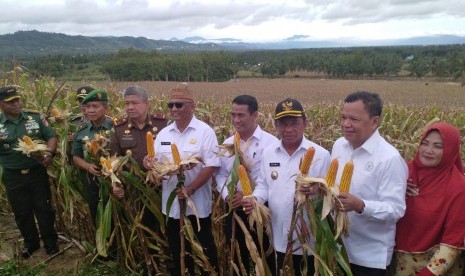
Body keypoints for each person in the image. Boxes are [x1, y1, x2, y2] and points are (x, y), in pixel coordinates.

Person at [243, 98, 331, 275]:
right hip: (277, 235)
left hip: (309, 239)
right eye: (283, 124)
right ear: (275, 125)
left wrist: (317, 190)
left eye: (294, 123)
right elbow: (263, 185)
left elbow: (330, 193)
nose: (289, 129)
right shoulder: (269, 153)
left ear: (304, 123)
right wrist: (255, 199)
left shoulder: (321, 154)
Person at [144, 85, 219, 275]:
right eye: (171, 105)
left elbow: (211, 165)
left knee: (204, 246)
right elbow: (158, 165)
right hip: (171, 206)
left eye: (179, 105)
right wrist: (149, 164)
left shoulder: (205, 132)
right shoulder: (163, 134)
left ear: (192, 106)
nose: (174, 109)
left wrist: (191, 188)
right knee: (177, 248)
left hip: (197, 204)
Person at [331, 91, 408, 275]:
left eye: (353, 119)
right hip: (337, 248)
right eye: (343, 117)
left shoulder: (389, 159)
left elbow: (396, 209)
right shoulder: (339, 145)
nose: (345, 124)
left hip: (369, 258)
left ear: (374, 122)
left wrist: (360, 205)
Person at [215, 94, 278, 273]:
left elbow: (268, 180)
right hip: (234, 209)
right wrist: (228, 195)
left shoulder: (271, 144)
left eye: (241, 115)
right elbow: (220, 175)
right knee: (236, 256)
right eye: (233, 115)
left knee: (265, 255)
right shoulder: (227, 144)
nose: (236, 120)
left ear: (255, 115)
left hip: (261, 209)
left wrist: (251, 197)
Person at [395, 122, 465, 275]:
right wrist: (396, 187)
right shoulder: (403, 172)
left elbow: (453, 242)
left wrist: (428, 273)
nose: (428, 150)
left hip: (434, 269)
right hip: (397, 263)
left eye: (438, 146)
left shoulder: (458, 187)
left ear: (450, 150)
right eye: (425, 144)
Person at [109, 86, 167, 259]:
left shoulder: (163, 124)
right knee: (142, 226)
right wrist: (117, 183)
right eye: (127, 103)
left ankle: (170, 263)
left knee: (165, 226)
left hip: (162, 186)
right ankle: (148, 262)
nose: (130, 107)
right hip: (135, 189)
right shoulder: (119, 129)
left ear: (146, 104)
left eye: (135, 103)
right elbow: (114, 160)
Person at [0, 86, 58, 258]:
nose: (17, 104)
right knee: (22, 211)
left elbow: (51, 136)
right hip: (13, 175)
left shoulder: (35, 117)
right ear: (1, 104)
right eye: (11, 102)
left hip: (36, 172)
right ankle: (30, 243)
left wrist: (49, 152)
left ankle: (51, 243)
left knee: (44, 208)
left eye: (18, 99)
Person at [71, 89, 114, 225]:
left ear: (106, 108)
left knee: (117, 214)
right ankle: (101, 242)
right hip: (92, 180)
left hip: (114, 179)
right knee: (96, 211)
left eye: (95, 106)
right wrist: (88, 166)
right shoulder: (82, 132)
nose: (90, 110)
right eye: (87, 107)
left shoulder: (116, 127)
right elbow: (76, 157)